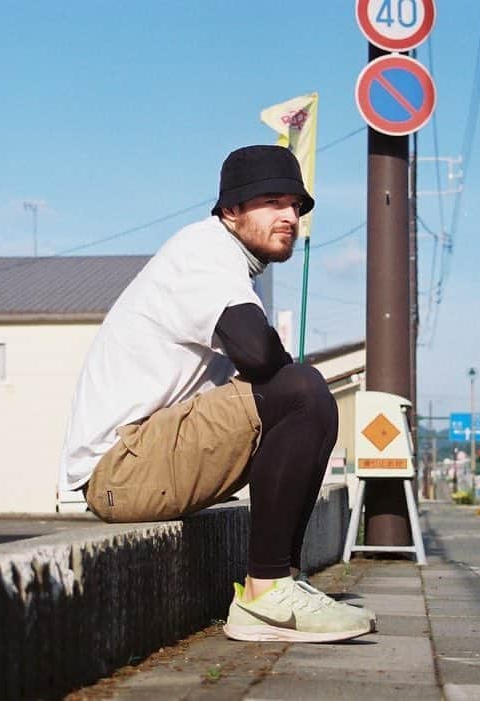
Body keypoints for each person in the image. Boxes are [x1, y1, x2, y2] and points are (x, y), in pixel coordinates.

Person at [59, 145, 374, 643]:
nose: (290, 216)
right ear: (231, 211)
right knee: (302, 391)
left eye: (296, 205)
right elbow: (254, 351)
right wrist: (284, 376)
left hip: (148, 454)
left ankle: (279, 584)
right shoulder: (204, 251)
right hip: (120, 465)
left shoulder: (233, 262)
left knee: (301, 394)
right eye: (272, 202)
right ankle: (266, 593)